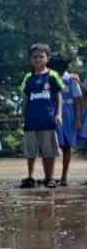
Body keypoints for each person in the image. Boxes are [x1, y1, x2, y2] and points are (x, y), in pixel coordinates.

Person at [20, 43, 63, 189]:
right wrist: (22, 116)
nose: (38, 60)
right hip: (31, 121)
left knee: (48, 151)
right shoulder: (28, 77)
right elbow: (25, 99)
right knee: (30, 151)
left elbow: (58, 97)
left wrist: (59, 114)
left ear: (47, 58)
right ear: (30, 60)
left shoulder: (52, 75)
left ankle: (49, 177)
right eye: (35, 57)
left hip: (48, 120)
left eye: (41, 57)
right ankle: (30, 177)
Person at [49, 55, 82, 186]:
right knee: (51, 145)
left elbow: (78, 101)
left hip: (69, 116)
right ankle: (50, 176)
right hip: (52, 114)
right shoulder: (49, 79)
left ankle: (64, 177)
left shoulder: (71, 80)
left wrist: (78, 120)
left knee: (66, 147)